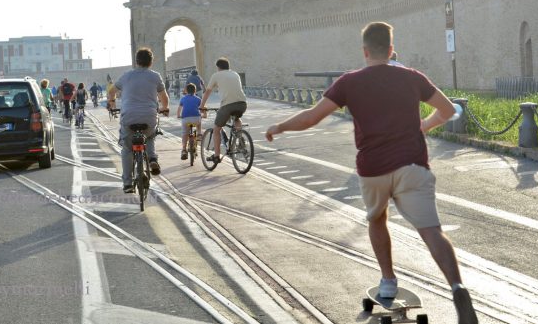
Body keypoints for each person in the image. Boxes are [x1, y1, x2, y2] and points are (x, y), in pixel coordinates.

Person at [265, 22, 478, 324]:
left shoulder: (349, 82)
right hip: (412, 165)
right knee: (432, 230)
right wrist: (424, 126)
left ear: (365, 51)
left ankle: (388, 280)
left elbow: (312, 117)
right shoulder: (412, 77)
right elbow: (448, 110)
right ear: (391, 50)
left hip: (373, 168)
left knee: (377, 219)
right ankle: (458, 288)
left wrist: (280, 126)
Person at [107, 47, 169, 193]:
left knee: (127, 148)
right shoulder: (155, 76)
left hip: (128, 117)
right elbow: (164, 97)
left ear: (136, 61)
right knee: (151, 135)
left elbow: (111, 92)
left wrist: (112, 104)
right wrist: (165, 108)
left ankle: (128, 183)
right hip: (149, 116)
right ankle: (152, 159)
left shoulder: (126, 75)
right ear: (151, 62)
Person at [199, 57, 247, 164]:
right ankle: (240, 137)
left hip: (227, 105)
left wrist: (202, 106)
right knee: (236, 118)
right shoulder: (235, 74)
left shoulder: (216, 75)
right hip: (242, 103)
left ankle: (216, 155)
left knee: (216, 129)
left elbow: (207, 92)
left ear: (218, 67)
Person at [177, 83, 202, 160]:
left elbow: (179, 109)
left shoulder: (183, 99)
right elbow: (202, 108)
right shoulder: (198, 99)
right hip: (196, 119)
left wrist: (178, 115)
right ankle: (199, 134)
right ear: (195, 91)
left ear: (186, 91)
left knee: (185, 133)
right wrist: (204, 114)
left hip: (186, 119)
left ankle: (184, 150)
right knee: (199, 123)